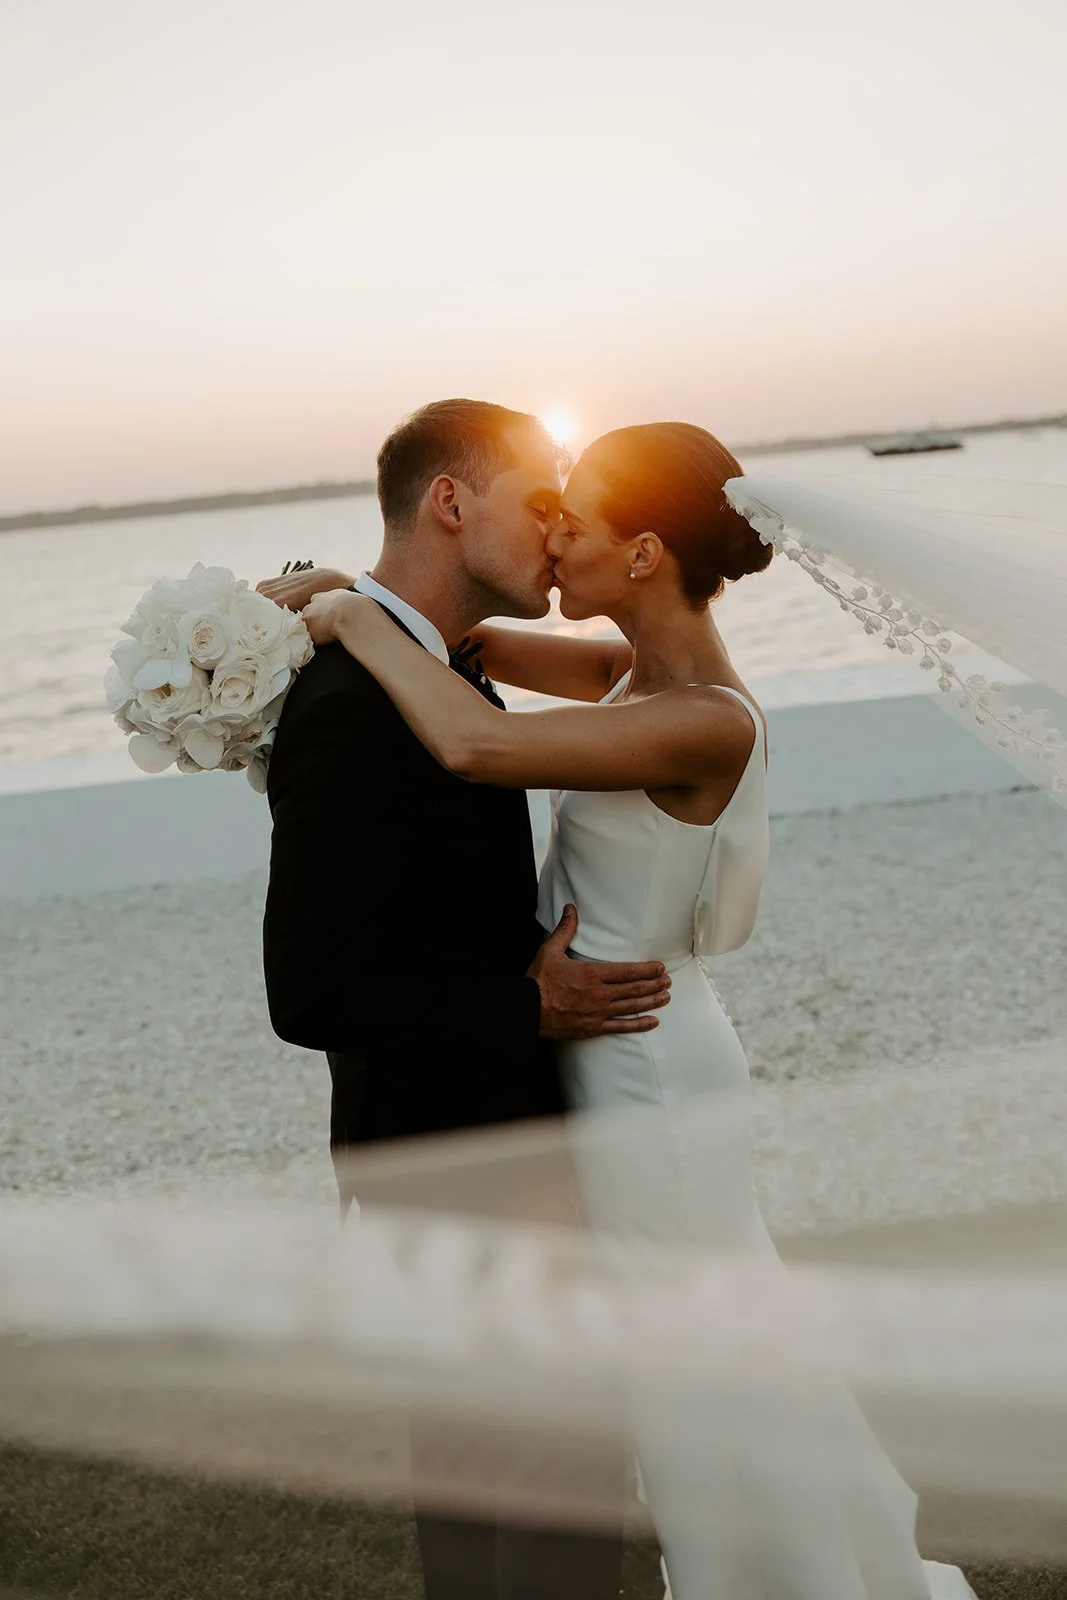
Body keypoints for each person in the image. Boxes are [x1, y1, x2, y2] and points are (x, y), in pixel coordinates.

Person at [289, 420, 978, 1600]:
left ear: (647, 551)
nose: (552, 531)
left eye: (577, 518)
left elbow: (470, 738)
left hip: (644, 1070)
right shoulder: (622, 673)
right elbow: (457, 643)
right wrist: (335, 597)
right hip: (612, 1048)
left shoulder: (706, 716)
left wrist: (350, 619)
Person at [260, 399, 671, 1600]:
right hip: (451, 1173)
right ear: (451, 501)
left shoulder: (437, 671)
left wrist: (347, 595)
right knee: (528, 1518)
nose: (554, 531)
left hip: (493, 1160)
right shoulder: (346, 706)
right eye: (537, 499)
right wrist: (524, 1010)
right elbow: (310, 987)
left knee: (533, 1512)